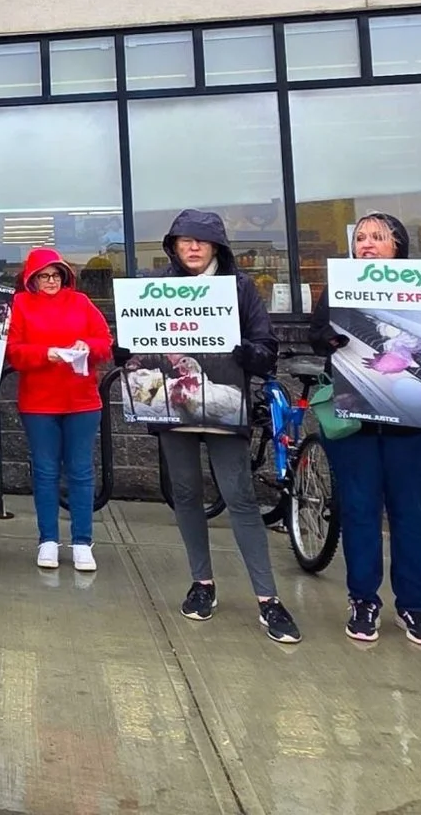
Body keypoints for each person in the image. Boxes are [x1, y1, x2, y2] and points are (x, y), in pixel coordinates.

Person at [138, 209, 299, 644]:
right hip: (174, 411)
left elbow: (267, 347)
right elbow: (140, 346)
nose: (191, 248)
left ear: (216, 247)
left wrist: (252, 354)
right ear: (172, 246)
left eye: (201, 241)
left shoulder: (241, 289)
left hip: (227, 408)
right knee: (186, 494)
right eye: (184, 241)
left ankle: (267, 598)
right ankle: (202, 582)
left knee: (240, 496)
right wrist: (129, 353)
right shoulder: (156, 290)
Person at [308, 213, 421, 647]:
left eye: (378, 238)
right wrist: (330, 338)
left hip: (414, 420)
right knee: (360, 508)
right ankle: (363, 599)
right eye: (361, 238)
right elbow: (316, 335)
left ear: (398, 245)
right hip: (357, 415)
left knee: (410, 512)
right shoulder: (340, 286)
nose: (366, 244)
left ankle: (414, 605)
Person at [5, 247, 112, 572]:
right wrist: (44, 354)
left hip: (81, 401)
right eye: (43, 276)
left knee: (81, 472)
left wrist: (87, 347)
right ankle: (47, 540)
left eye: (55, 275)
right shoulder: (20, 305)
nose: (50, 281)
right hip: (39, 402)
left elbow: (105, 342)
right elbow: (13, 350)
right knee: (46, 472)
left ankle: (82, 541)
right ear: (31, 279)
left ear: (65, 276)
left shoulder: (80, 303)